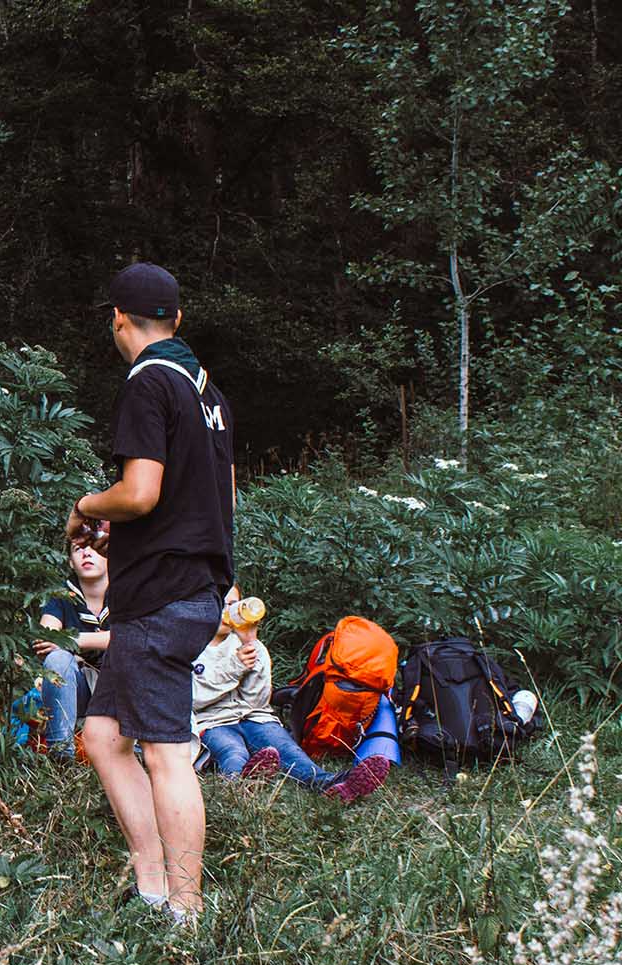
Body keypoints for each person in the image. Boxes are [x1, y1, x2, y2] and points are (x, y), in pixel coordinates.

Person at [66, 262, 235, 923]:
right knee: (103, 735)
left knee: (166, 752)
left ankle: (186, 911)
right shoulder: (207, 389)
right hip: (197, 585)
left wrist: (87, 503)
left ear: (118, 319)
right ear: (177, 319)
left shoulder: (147, 381)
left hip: (161, 592)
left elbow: (139, 493)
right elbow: (220, 495)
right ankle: (152, 880)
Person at [194, 591, 392, 802]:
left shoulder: (244, 644)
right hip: (213, 722)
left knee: (288, 750)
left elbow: (256, 701)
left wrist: (251, 644)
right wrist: (235, 667)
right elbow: (195, 699)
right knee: (233, 751)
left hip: (254, 717)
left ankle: (331, 784)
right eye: (220, 603)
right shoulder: (190, 647)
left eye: (233, 604)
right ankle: (239, 786)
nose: (227, 611)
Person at [33, 542, 110, 762]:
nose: (86, 553)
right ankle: (61, 755)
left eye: (94, 548)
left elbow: (131, 638)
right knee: (58, 659)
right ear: (70, 562)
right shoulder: (62, 595)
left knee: (131, 656)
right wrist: (97, 641)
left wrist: (71, 641)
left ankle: (136, 752)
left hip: (121, 689)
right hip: (80, 689)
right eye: (78, 549)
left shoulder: (126, 591)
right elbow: (45, 638)